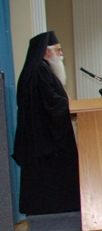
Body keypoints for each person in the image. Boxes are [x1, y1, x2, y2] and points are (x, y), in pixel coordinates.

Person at [13, 31, 81, 215]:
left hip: (42, 144)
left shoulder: (38, 70)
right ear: (46, 52)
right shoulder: (39, 71)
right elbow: (50, 103)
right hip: (46, 147)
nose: (62, 54)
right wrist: (69, 106)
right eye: (58, 50)